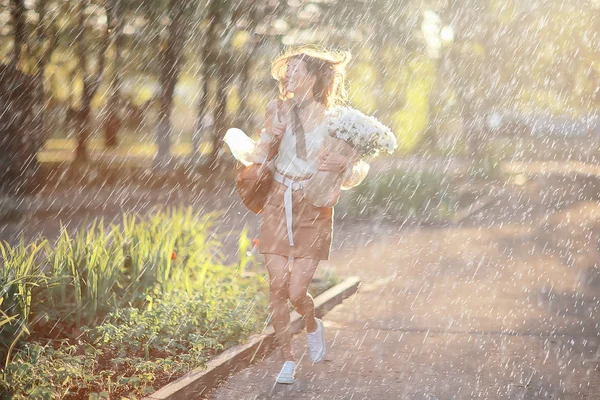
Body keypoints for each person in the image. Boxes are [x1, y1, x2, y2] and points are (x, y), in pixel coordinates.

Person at [247, 45, 369, 384]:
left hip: (314, 208)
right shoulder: (277, 109)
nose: (289, 76)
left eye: (296, 70)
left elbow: (358, 168)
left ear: (314, 78)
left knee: (297, 292)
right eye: (288, 71)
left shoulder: (337, 123)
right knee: (277, 286)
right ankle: (287, 359)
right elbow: (259, 154)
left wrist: (345, 165)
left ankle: (312, 322)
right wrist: (265, 144)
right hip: (277, 200)